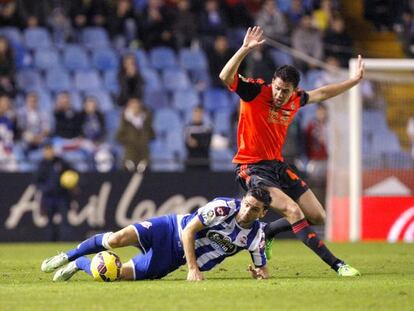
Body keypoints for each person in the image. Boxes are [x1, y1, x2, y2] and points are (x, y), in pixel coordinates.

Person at [219, 26, 364, 276]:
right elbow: (224, 77)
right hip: (251, 167)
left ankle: (268, 232)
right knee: (293, 211)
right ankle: (337, 264)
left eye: (284, 91)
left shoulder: (296, 99)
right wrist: (244, 50)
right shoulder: (255, 91)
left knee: (317, 216)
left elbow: (323, 93)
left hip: (277, 166)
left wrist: (354, 81)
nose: (278, 94)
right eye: (276, 87)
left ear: (293, 89)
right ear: (272, 83)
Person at [40, 187, 271, 282]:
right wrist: (193, 269)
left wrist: (258, 273)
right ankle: (68, 255)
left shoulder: (255, 237)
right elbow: (190, 230)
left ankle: (79, 264)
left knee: (115, 275)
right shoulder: (223, 208)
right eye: (247, 204)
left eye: (254, 209)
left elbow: (263, 269)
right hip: (169, 229)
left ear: (263, 213)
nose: (247, 210)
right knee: (115, 240)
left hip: (171, 258)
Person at [35, 143, 75, 241]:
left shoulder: (60, 162)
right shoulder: (42, 164)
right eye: (47, 150)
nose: (49, 152)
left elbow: (72, 171)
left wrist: (71, 183)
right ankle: (50, 241)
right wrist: (45, 189)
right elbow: (37, 181)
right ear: (44, 152)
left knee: (65, 220)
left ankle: (66, 240)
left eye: (50, 150)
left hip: (62, 196)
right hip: (48, 197)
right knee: (49, 221)